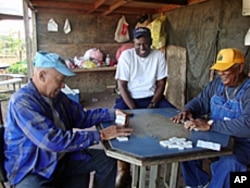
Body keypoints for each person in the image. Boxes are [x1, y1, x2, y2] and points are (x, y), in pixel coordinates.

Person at [4, 51, 132, 188]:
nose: (63, 85)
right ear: (42, 76)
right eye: (60, 80)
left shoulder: (58, 97)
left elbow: (82, 118)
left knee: (107, 161)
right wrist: (101, 134)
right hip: (33, 170)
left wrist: (113, 113)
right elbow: (52, 140)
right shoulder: (22, 102)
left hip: (61, 159)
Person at [171, 48, 250, 188]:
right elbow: (201, 101)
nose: (221, 73)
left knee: (230, 164)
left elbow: (247, 125)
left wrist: (211, 125)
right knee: (187, 145)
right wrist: (188, 110)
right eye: (219, 69)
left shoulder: (247, 91)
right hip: (217, 137)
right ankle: (198, 183)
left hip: (243, 144)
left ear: (240, 68)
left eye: (226, 69)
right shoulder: (217, 85)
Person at [114, 27, 176, 188]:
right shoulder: (126, 56)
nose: (142, 48)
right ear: (133, 43)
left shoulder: (159, 56)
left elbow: (161, 84)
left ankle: (167, 156)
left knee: (175, 117)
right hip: (129, 99)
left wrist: (153, 104)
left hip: (152, 98)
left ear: (151, 43)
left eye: (145, 44)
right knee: (120, 124)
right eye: (138, 44)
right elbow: (122, 85)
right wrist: (135, 109)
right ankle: (124, 169)